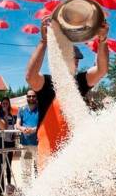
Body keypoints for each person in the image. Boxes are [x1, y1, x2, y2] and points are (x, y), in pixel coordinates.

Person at [25, 16, 109, 166]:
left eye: (77, 61)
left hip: (74, 156)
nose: (75, 62)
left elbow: (101, 69)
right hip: (48, 157)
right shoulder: (47, 83)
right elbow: (30, 77)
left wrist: (102, 40)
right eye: (72, 59)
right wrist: (43, 42)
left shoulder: (79, 82)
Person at [15, 90, 40, 186]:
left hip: (38, 145)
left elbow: (43, 124)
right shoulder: (21, 109)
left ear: (36, 97)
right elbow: (17, 124)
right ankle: (27, 191)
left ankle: (39, 190)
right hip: (26, 145)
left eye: (33, 96)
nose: (31, 98)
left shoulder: (40, 109)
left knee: (40, 168)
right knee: (26, 168)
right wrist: (22, 128)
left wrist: (34, 129)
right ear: (26, 97)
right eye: (29, 96)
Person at [0, 97, 17, 191]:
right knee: (2, 164)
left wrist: (14, 135)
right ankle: (1, 185)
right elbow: (5, 126)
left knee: (9, 164)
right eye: (3, 104)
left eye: (6, 103)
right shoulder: (0, 115)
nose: (5, 105)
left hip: (10, 141)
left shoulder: (11, 115)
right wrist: (5, 114)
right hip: (3, 141)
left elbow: (12, 127)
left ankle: (9, 183)